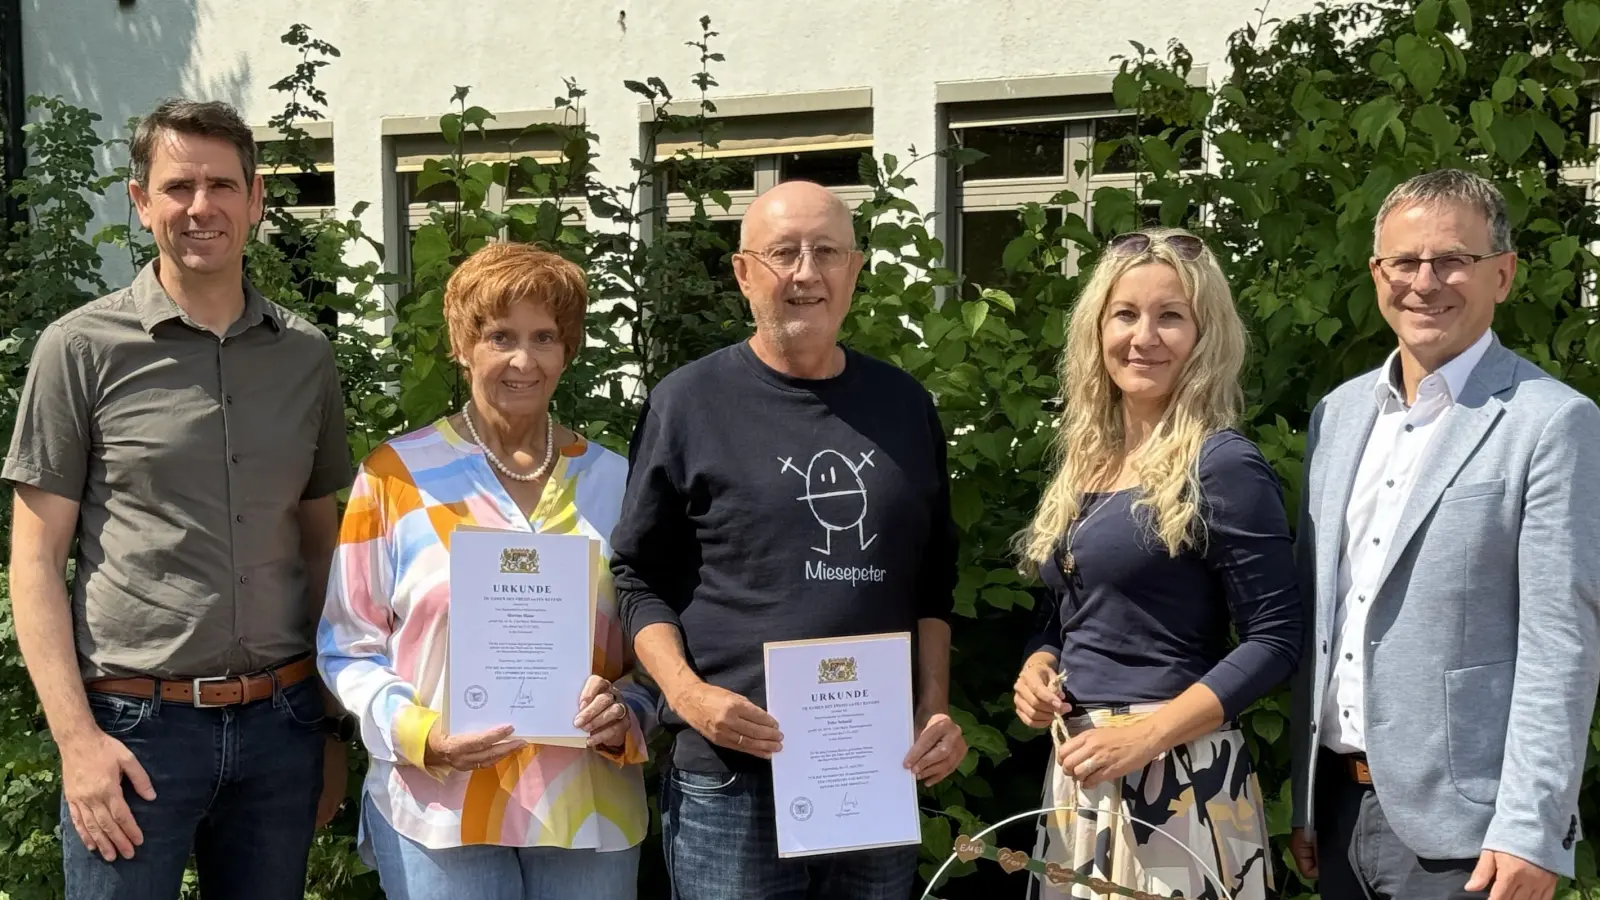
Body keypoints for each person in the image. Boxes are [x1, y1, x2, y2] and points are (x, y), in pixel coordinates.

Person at [3, 98, 353, 900]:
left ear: (257, 199)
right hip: (132, 735)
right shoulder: (80, 349)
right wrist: (75, 742)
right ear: (140, 201)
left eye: (222, 185)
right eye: (178, 187)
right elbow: (34, 561)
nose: (202, 207)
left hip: (282, 724)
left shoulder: (305, 355)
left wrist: (331, 724)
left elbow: (322, 548)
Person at [611, 179, 966, 899]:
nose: (806, 272)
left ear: (855, 271)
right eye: (783, 253)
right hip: (731, 783)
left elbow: (932, 583)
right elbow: (635, 579)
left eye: (826, 252)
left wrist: (932, 707)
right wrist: (687, 694)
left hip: (873, 775)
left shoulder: (904, 406)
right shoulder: (687, 404)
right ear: (744, 274)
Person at [1288, 169, 1600, 900]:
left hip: (1476, 837)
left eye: (1452, 259)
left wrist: (1531, 826)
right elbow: (1326, 616)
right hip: (1335, 810)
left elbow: (1563, 641)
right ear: (1376, 275)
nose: (1425, 282)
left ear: (1503, 274)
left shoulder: (1551, 423)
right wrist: (1305, 798)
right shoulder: (1336, 416)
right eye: (1404, 262)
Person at [316, 242, 652, 900]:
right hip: (439, 805)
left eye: (544, 337)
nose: (523, 360)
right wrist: (420, 734)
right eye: (499, 336)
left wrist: (632, 708)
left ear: (568, 349)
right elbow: (344, 643)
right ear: (463, 345)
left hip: (589, 806)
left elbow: (658, 639)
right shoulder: (394, 478)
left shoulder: (617, 481)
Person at [1011, 228, 1302, 899]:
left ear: (1206, 336)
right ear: (1097, 329)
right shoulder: (1087, 462)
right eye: (1126, 315)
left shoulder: (1221, 464)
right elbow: (1067, 617)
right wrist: (1037, 664)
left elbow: (1278, 638)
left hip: (1176, 779)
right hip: (1082, 771)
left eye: (1170, 316)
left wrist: (1145, 737)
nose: (1144, 336)